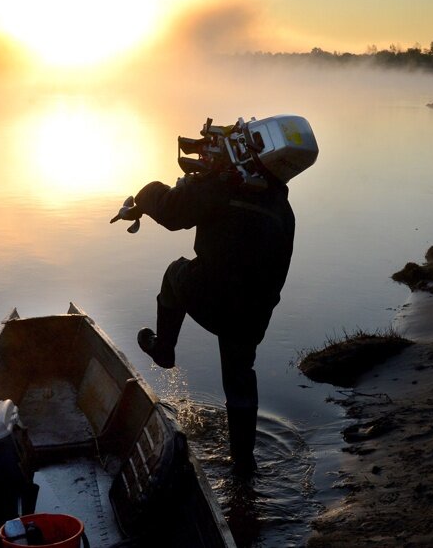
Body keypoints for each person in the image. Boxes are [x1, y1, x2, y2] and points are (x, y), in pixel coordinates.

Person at [113, 165, 296, 475]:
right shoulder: (281, 205)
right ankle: (243, 462)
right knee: (239, 377)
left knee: (174, 273)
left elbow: (172, 212)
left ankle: (164, 350)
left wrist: (144, 196)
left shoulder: (223, 183)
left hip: (215, 297)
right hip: (254, 312)